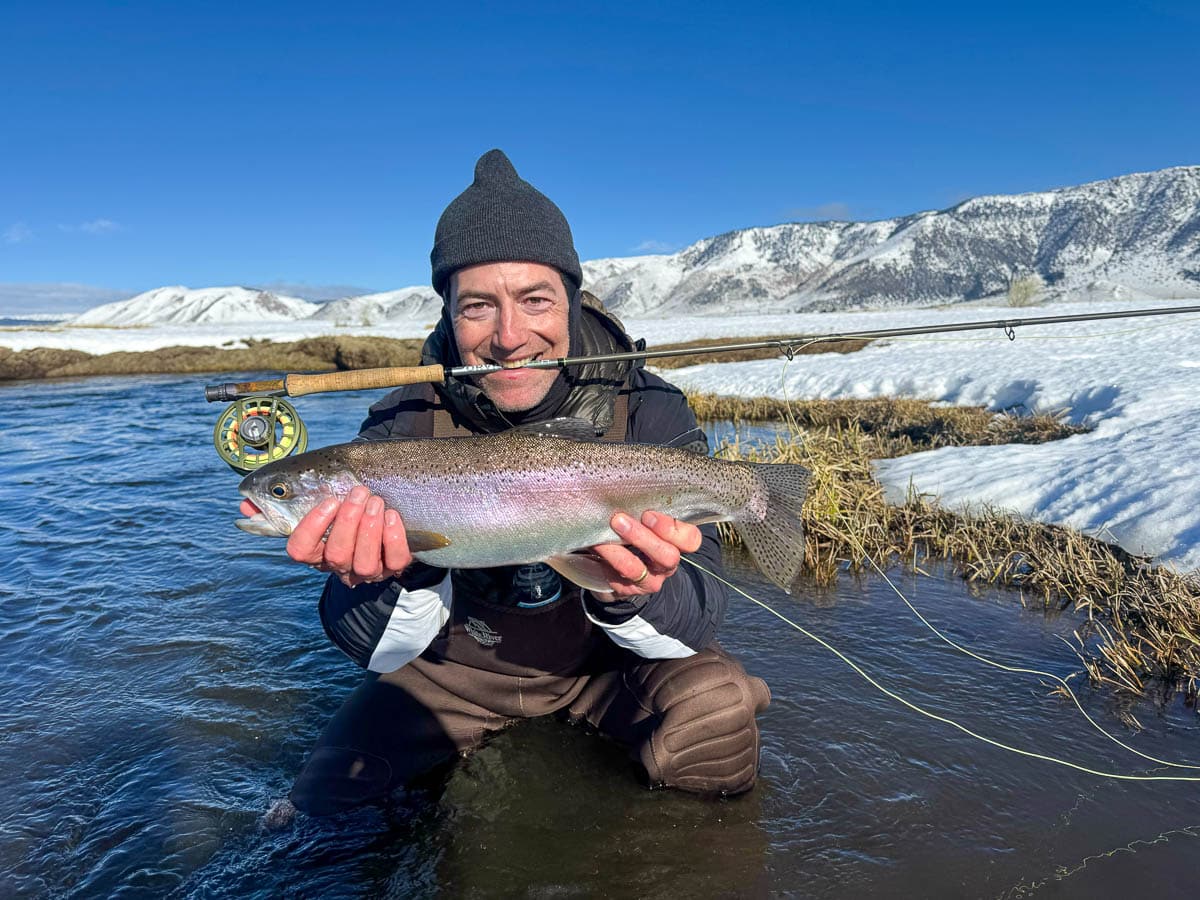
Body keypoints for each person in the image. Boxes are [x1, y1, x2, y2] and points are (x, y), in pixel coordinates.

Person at [245, 150, 771, 816]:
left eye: (535, 300)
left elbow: (703, 613)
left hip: (609, 667)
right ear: (447, 316)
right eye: (477, 308)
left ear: (571, 300)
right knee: (322, 809)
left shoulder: (647, 409)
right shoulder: (399, 423)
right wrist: (391, 575)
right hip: (455, 678)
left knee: (717, 724)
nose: (509, 336)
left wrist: (633, 592)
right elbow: (371, 650)